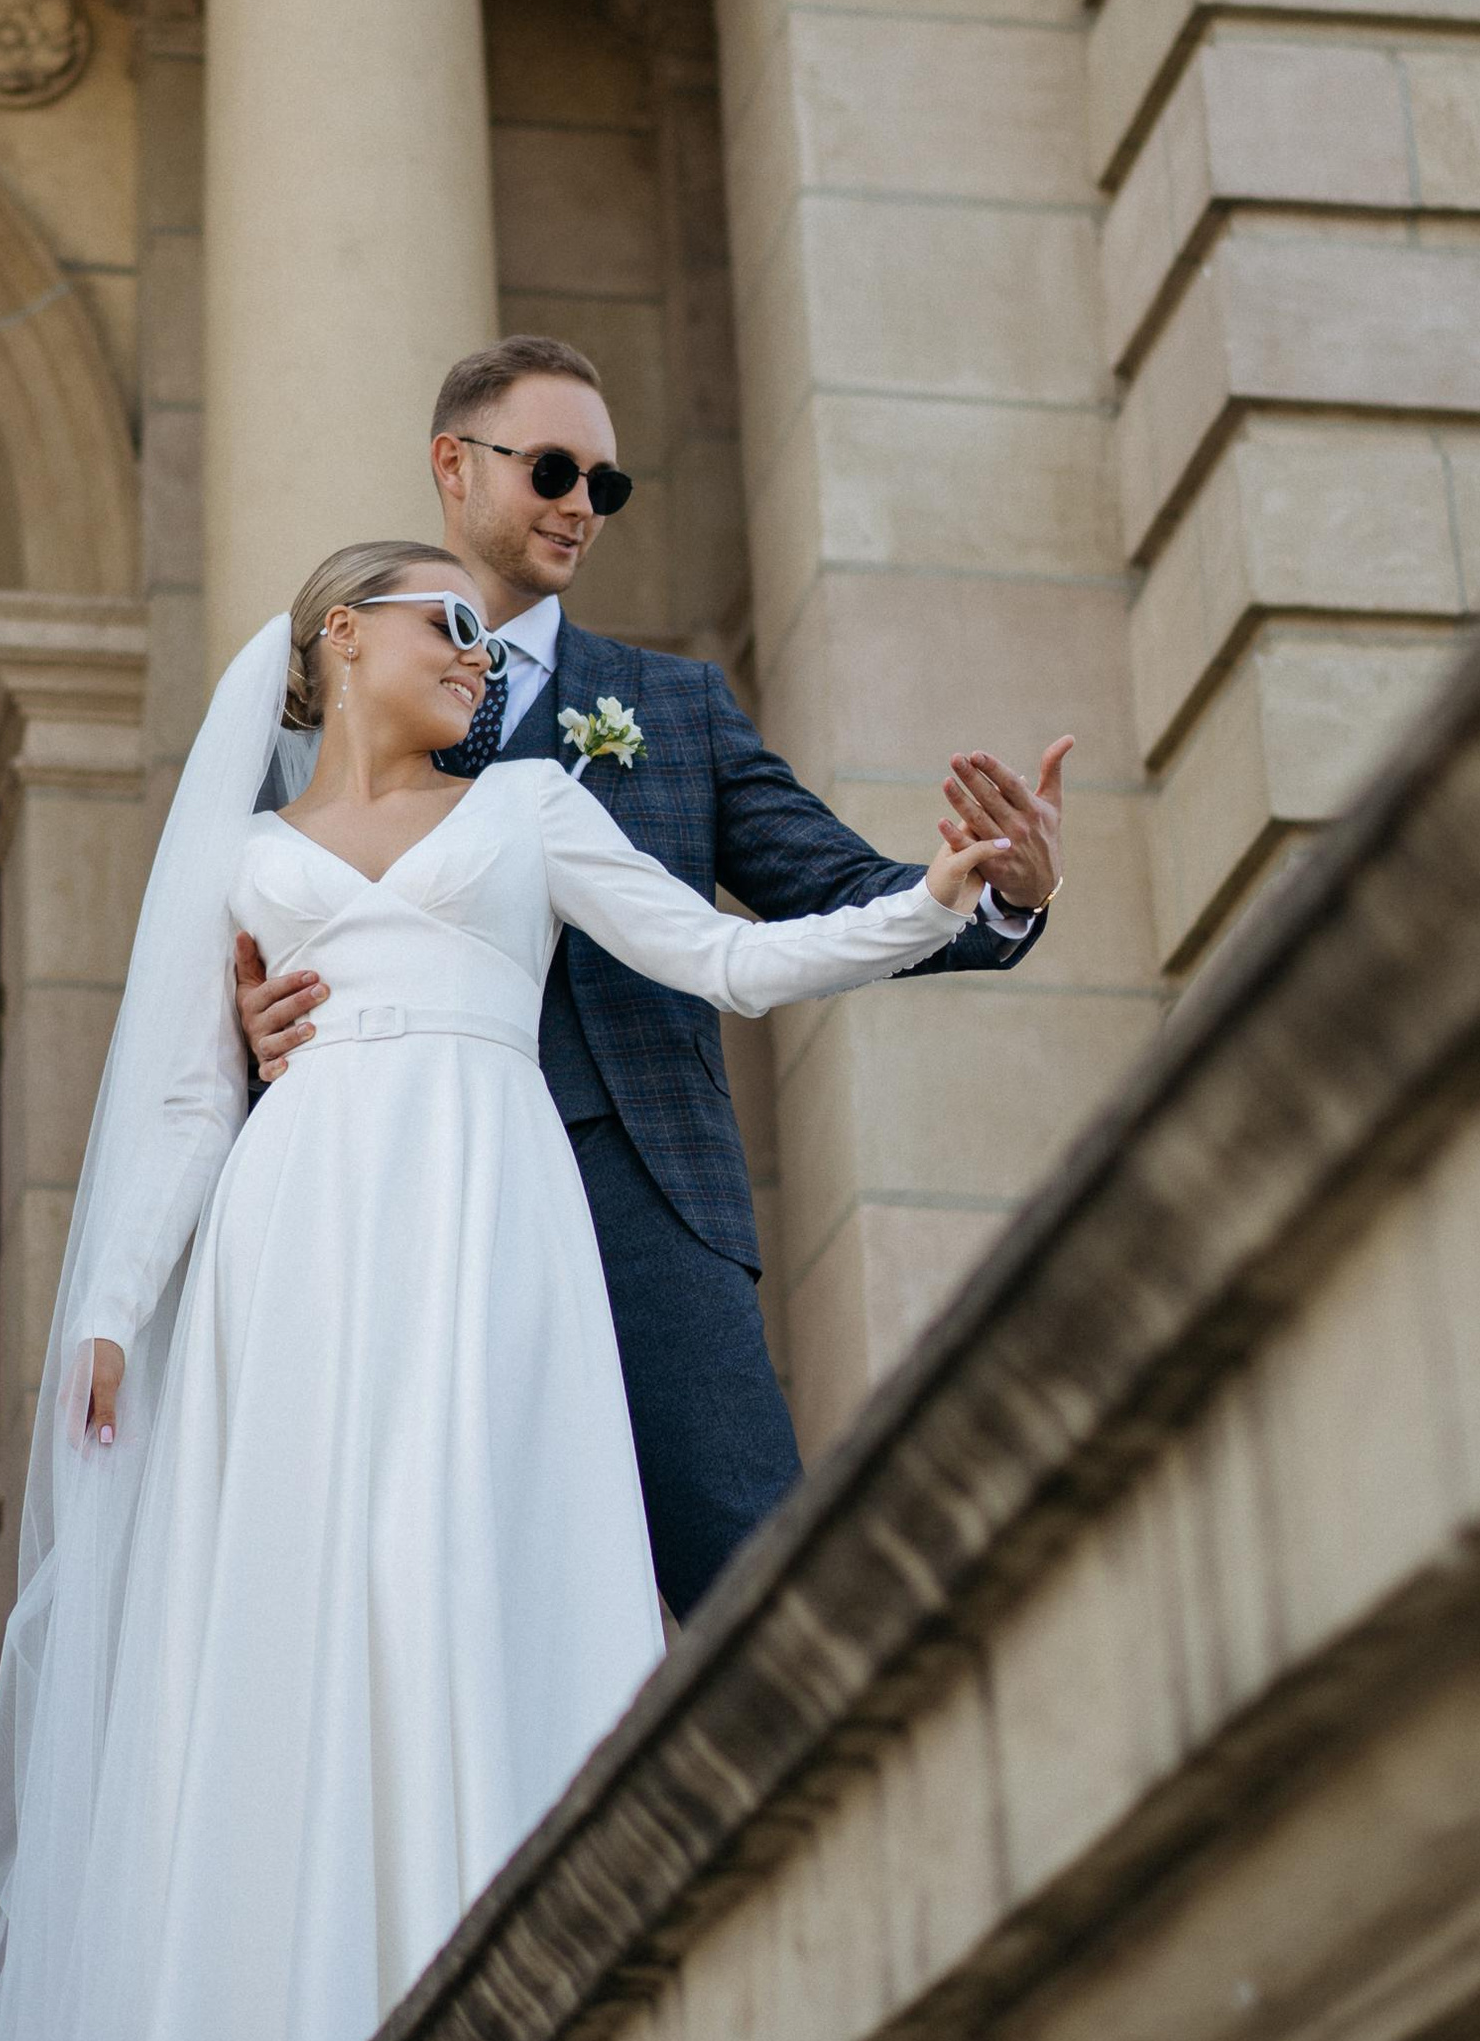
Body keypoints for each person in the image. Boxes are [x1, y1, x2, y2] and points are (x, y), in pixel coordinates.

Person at [0, 539, 1037, 2041]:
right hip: (295, 1244)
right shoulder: (241, 858)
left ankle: (494, 2035)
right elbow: (171, 1098)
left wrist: (939, 897)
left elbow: (726, 960)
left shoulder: (531, 807)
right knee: (299, 1621)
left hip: (483, 1232)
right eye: (445, 627)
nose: (479, 659)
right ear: (344, 640)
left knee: (460, 1587)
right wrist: (120, 1311)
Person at [236, 339, 1070, 1617]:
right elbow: (252, 930)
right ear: (452, 466)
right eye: (555, 470)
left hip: (642, 1191)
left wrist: (994, 890)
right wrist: (246, 1020)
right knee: (409, 1579)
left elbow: (824, 887)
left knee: (755, 1589)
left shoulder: (669, 708)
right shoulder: (310, 718)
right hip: (383, 1185)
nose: (580, 505)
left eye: (606, 487)